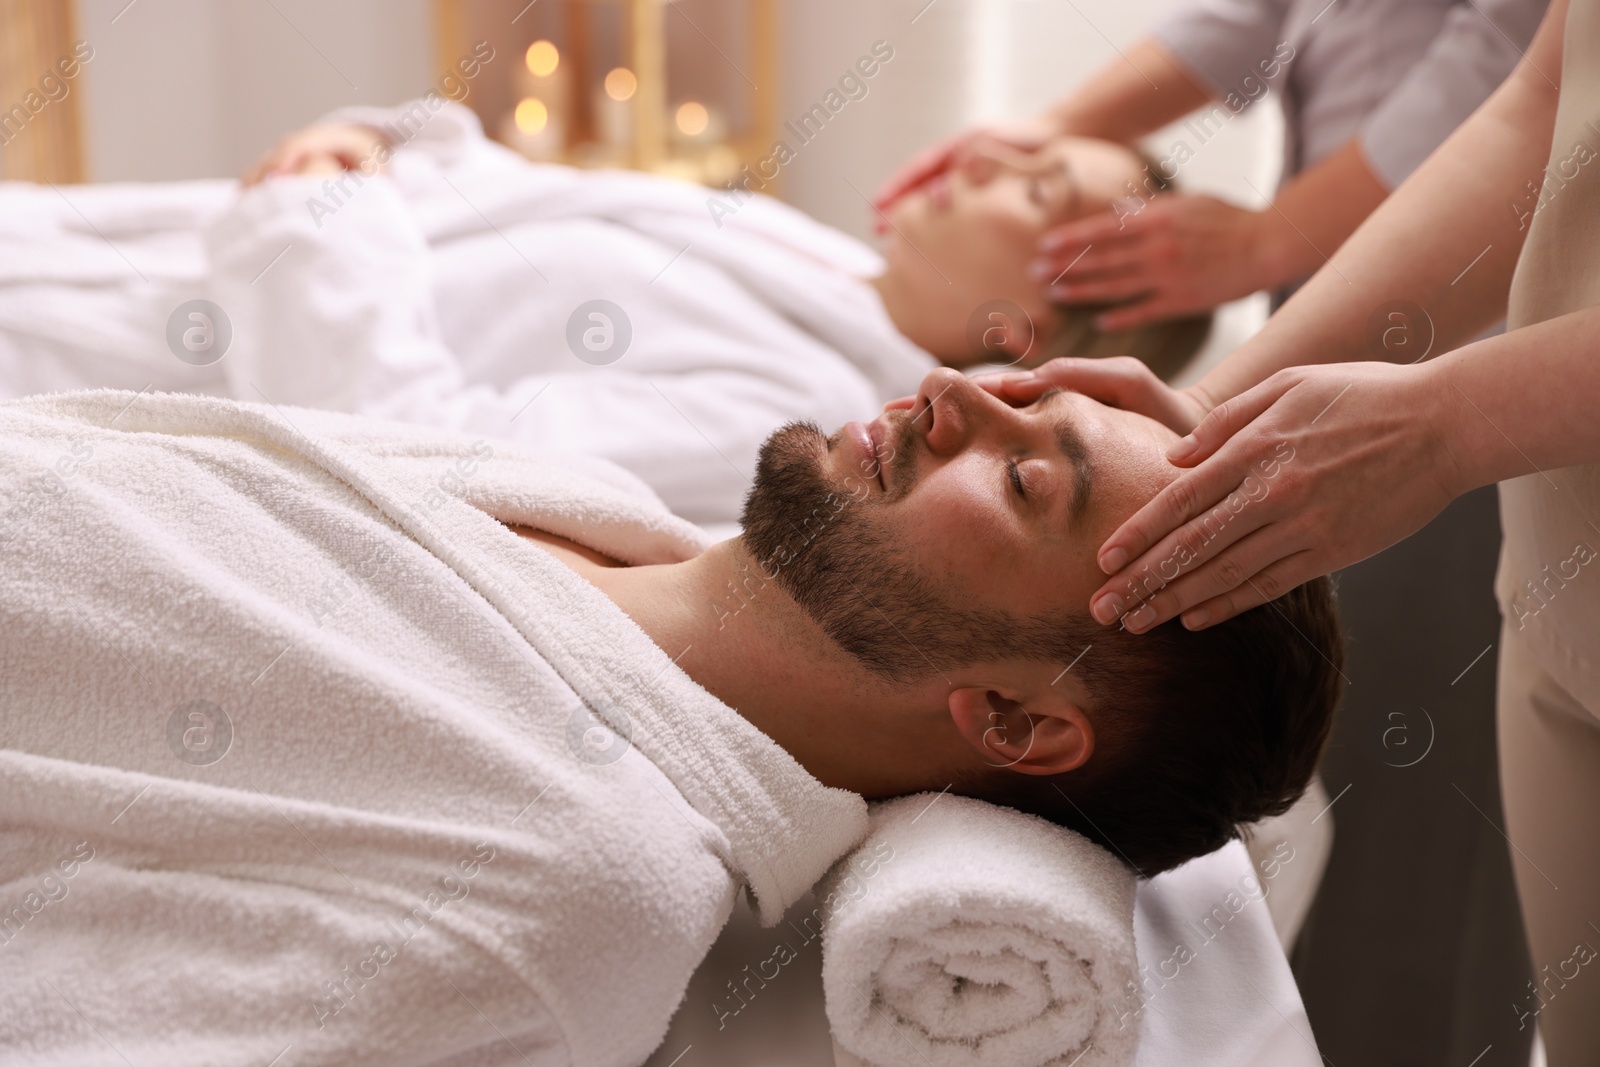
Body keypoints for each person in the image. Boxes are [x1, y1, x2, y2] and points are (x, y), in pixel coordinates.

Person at [0, 367, 1341, 1065]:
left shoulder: (566, 876)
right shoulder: (576, 493)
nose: (956, 394)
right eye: (1030, 398)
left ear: (1017, 720)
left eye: (1026, 477)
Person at [986, 0, 1599, 1056]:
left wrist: (1451, 419)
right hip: (1562, 583)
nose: (960, 405)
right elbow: (1547, 103)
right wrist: (1220, 408)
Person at [0, 100, 1207, 529]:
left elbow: (410, 449)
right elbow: (516, 198)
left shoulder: (784, 419)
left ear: (1019, 335)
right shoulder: (809, 253)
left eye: (1037, 189)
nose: (985, 163)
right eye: (1027, 152)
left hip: (97, 373)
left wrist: (326, 221)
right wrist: (373, 141)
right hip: (107, 250)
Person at [874, 0, 1547, 330]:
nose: (986, 159)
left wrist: (1274, 237)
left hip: (1474, 300)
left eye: (1042, 190)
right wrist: (1057, 127)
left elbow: (1518, 40)